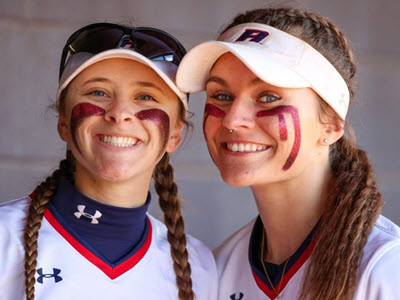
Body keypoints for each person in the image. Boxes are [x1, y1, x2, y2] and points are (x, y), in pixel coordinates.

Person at [176, 7, 400, 300]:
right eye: (222, 96)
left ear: (331, 124)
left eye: (268, 98)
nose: (232, 119)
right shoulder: (220, 268)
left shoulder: (385, 267)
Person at [0, 23, 217, 300]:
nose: (120, 113)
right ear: (63, 123)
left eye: (145, 96)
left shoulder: (200, 267)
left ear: (175, 135)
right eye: (98, 92)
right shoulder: (4, 238)